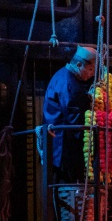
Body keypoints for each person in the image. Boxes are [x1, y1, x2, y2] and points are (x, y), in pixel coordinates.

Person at [40, 45, 96, 178]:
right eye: (90, 69)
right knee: (66, 183)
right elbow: (74, 118)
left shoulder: (62, 75)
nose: (92, 74)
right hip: (63, 146)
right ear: (79, 65)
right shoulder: (68, 83)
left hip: (59, 144)